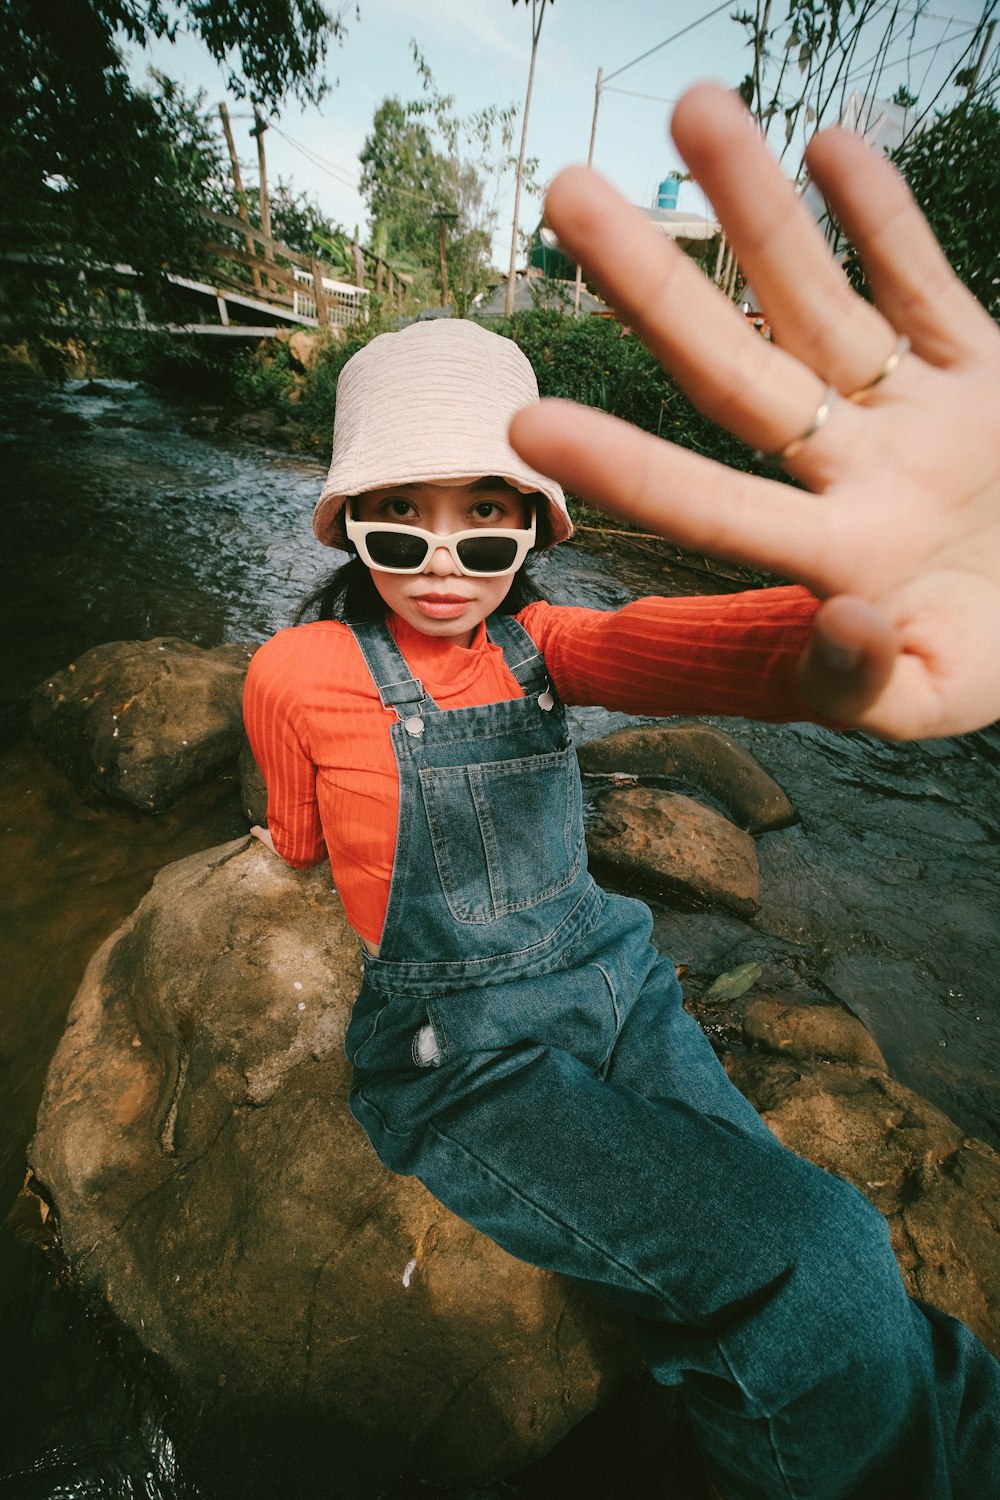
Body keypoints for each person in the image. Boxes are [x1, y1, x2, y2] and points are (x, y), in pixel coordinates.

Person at [243, 82, 1000, 1500]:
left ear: (538, 523)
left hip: (624, 989)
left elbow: (713, 654)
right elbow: (292, 825)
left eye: (492, 517)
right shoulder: (295, 672)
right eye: (405, 517)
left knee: (847, 1267)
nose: (447, 560)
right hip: (465, 1062)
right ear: (350, 519)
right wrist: (307, 845)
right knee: (823, 1260)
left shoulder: (553, 647)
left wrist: (902, 615)